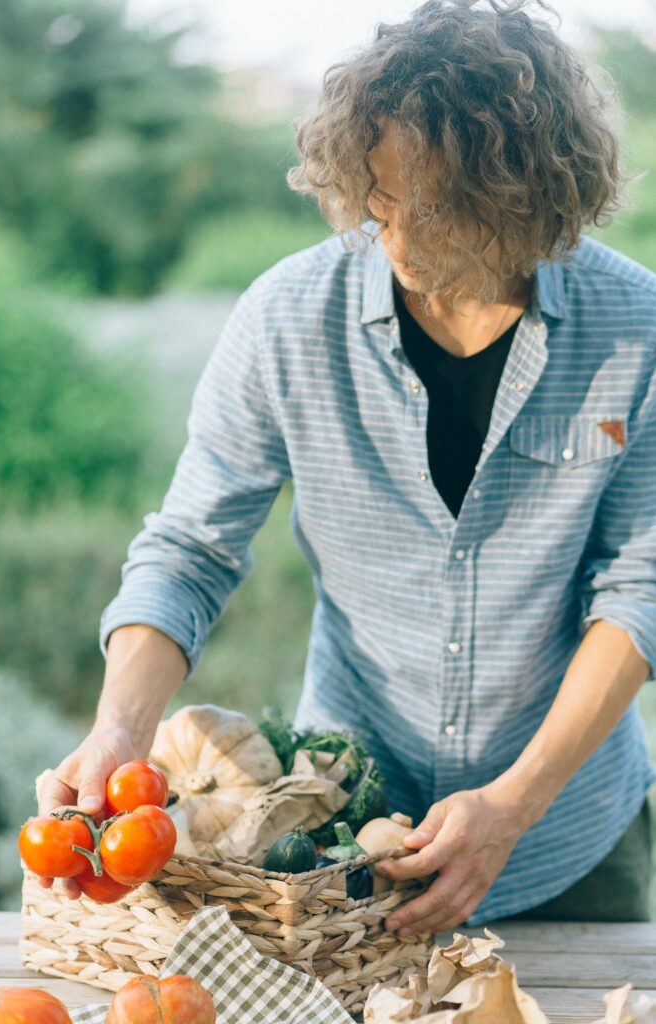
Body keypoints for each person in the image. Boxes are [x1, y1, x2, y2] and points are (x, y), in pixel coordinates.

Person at [36, 0, 656, 931]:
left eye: (433, 209)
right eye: (377, 200)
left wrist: (515, 803)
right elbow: (190, 548)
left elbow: (639, 588)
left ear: (525, 194)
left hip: (565, 830)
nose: (395, 241)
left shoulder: (635, 327)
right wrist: (119, 730)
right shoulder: (285, 318)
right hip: (337, 833)